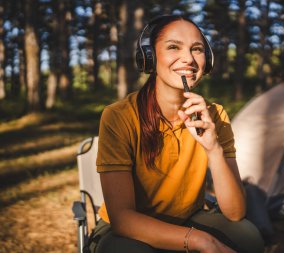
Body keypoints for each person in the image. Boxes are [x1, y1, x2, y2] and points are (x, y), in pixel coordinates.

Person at [88, 15, 264, 253]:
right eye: (173, 47)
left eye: (197, 49)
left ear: (208, 60)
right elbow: (123, 220)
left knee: (249, 237)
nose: (189, 59)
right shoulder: (118, 116)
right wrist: (202, 240)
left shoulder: (216, 114)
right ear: (149, 57)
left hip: (187, 217)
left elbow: (235, 212)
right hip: (129, 229)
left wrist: (213, 149)